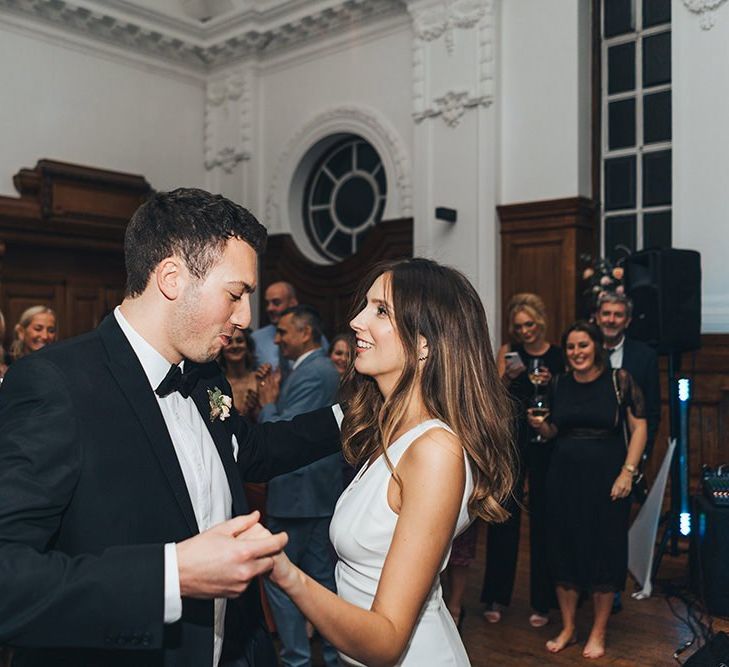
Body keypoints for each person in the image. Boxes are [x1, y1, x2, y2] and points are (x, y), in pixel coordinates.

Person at [0, 188, 342, 666]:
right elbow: (9, 579)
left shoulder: (203, 373)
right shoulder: (55, 385)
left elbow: (251, 451)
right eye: (235, 294)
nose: (246, 318)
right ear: (172, 277)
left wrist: (351, 420)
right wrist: (171, 574)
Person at [267, 257, 517, 666]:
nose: (357, 320)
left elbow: (386, 642)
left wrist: (285, 573)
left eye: (381, 310)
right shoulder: (392, 433)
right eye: (366, 305)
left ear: (423, 344)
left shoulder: (435, 452)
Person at [530, 321, 647, 659]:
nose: (577, 352)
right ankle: (568, 626)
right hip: (563, 478)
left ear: (596, 347)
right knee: (563, 550)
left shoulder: (619, 380)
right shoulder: (559, 384)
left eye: (583, 345)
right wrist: (541, 425)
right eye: (570, 347)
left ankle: (598, 631)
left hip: (608, 479)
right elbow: (554, 431)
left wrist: (628, 472)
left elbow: (638, 428)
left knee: (604, 553)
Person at [258, 305, 342, 667]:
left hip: (299, 494)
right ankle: (338, 656)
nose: (276, 340)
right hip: (316, 494)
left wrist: (268, 404)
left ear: (305, 333)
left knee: (278, 579)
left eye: (283, 332)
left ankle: (297, 660)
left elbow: (289, 435)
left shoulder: (316, 371)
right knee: (322, 579)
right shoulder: (310, 368)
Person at [481, 293, 562, 627]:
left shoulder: (558, 355)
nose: (525, 331)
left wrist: (551, 381)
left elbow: (569, 396)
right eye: (519, 326)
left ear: (540, 322)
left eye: (530, 324)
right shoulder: (508, 353)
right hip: (511, 442)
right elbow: (495, 396)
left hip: (546, 441)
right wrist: (510, 375)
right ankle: (496, 597)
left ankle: (542, 603)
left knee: (544, 521)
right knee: (504, 518)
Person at [595, 292, 660, 457]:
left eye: (618, 315)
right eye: (606, 314)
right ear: (597, 318)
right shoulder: (582, 353)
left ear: (627, 321)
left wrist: (644, 451)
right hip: (590, 446)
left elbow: (652, 409)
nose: (611, 320)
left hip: (628, 447)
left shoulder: (646, 356)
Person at [251, 281, 298, 369]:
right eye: (268, 303)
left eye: (276, 302)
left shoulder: (310, 337)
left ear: (292, 303)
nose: (269, 308)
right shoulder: (256, 338)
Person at [220, 327, 260, 420]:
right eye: (229, 342)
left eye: (239, 341)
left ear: (247, 346)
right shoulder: (218, 384)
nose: (235, 346)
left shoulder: (259, 379)